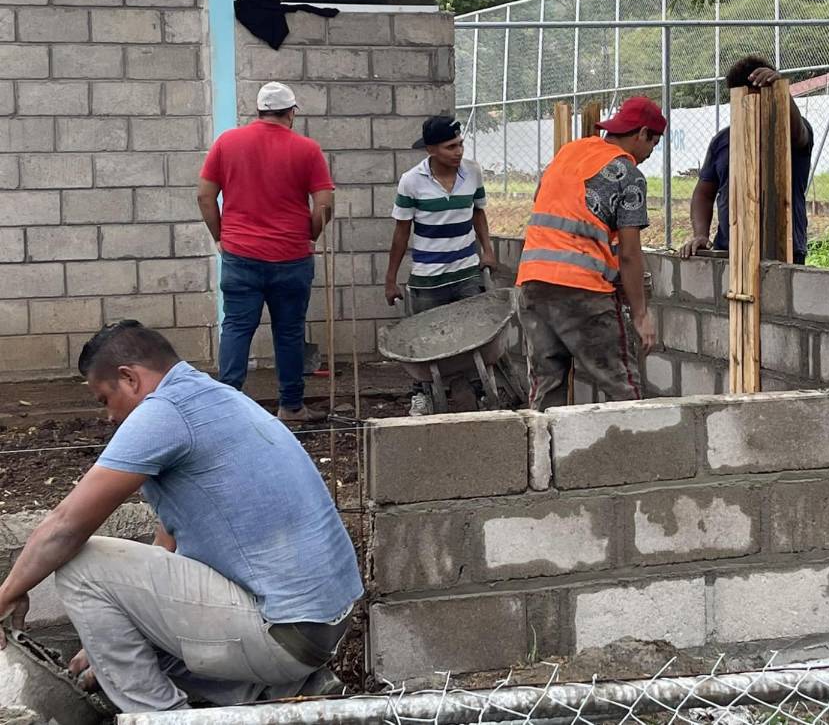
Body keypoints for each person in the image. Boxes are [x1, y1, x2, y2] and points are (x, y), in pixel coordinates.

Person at [0, 321, 363, 711]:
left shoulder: (164, 413)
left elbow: (65, 526)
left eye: (104, 399)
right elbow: (166, 550)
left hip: (281, 632)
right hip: (321, 626)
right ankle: (280, 693)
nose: (108, 417)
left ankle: (159, 717)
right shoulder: (214, 397)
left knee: (80, 565)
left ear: (129, 378)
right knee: (136, 636)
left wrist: (7, 593)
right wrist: (103, 642)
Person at [197, 81, 334, 425]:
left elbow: (204, 196)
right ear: (291, 113)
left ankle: (227, 406)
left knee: (237, 328)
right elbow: (325, 205)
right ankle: (291, 406)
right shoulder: (307, 149)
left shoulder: (228, 142)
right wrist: (310, 235)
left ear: (257, 111)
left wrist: (221, 237)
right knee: (289, 331)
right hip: (291, 257)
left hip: (240, 255)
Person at [516, 96, 663, 411]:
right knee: (622, 386)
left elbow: (556, 207)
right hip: (581, 290)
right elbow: (629, 253)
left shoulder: (569, 152)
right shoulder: (628, 173)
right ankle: (636, 455)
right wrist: (640, 315)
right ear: (642, 133)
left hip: (532, 282)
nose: (652, 151)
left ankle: (543, 457)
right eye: (654, 141)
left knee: (546, 387)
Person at [384, 115, 497, 415]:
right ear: (431, 150)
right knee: (424, 341)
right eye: (450, 147)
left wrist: (487, 250)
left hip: (466, 272)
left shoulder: (472, 173)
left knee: (474, 335)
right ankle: (421, 394)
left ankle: (478, 392)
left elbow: (479, 214)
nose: (459, 152)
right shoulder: (412, 181)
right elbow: (401, 232)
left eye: (460, 144)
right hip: (428, 278)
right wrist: (391, 279)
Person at [680, 56, 814, 262]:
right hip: (730, 250)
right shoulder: (723, 140)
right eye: (743, 100)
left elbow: (799, 135)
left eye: (761, 97)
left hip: (785, 250)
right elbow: (703, 194)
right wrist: (700, 234)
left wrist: (781, 88)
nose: (752, 107)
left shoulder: (789, 130)